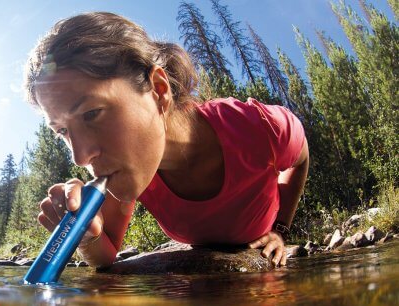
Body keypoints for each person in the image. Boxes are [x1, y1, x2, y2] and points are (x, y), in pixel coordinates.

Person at [25, 12, 309, 269]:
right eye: (62, 131)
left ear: (159, 90)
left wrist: (281, 229)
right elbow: (106, 252)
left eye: (91, 113)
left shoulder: (257, 127)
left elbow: (301, 157)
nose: (81, 157)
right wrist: (87, 235)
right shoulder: (130, 169)